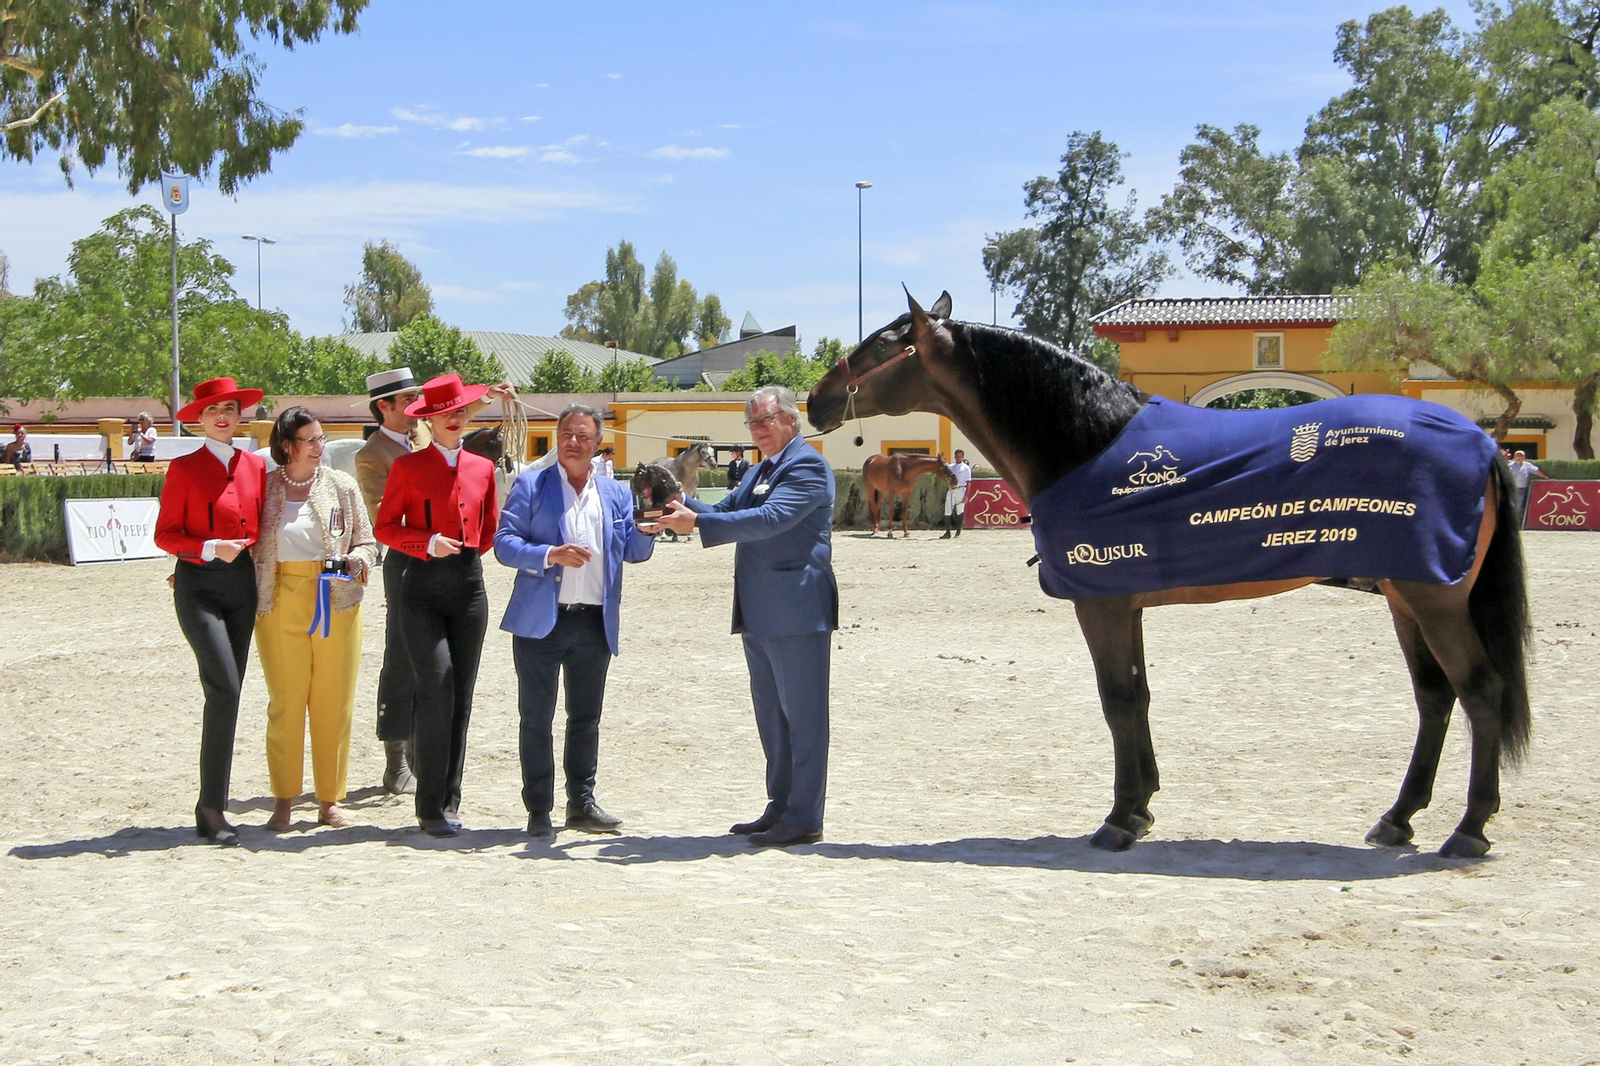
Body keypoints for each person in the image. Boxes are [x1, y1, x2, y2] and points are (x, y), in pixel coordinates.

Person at [652, 385, 837, 847]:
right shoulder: (758, 470)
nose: (758, 429)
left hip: (797, 609)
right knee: (773, 718)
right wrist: (676, 503)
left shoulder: (808, 466)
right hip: (758, 609)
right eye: (752, 422)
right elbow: (720, 511)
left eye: (766, 420)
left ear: (792, 420)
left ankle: (805, 816)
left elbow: (772, 519)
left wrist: (698, 523)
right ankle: (780, 807)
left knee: (805, 720)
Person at [495, 404, 656, 839]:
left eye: (583, 436)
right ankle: (539, 810)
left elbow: (636, 554)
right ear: (557, 436)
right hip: (541, 622)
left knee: (585, 718)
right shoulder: (532, 484)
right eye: (567, 433)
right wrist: (550, 555)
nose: (573, 442)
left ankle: (581, 804)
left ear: (598, 443)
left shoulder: (616, 493)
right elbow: (504, 544)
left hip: (593, 623)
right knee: (536, 718)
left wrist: (648, 528)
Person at [374, 373, 501, 838]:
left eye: (462, 410)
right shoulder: (407, 468)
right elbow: (386, 527)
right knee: (436, 688)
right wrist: (426, 543)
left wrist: (462, 554)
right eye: (447, 412)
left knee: (462, 696)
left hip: (468, 586)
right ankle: (428, 805)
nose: (456, 417)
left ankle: (450, 800)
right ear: (430, 417)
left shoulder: (482, 469)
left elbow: (488, 531)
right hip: (421, 587)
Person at [153, 377, 268, 846]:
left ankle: (211, 802)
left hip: (242, 590)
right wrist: (205, 549)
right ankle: (212, 807)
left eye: (230, 409)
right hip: (198, 589)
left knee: (231, 694)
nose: (222, 417)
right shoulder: (182, 468)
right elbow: (165, 536)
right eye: (212, 410)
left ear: (241, 416)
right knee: (224, 687)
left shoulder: (256, 468)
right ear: (199, 419)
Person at [254, 407, 378, 831]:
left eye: (321, 439)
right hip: (278, 601)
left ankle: (329, 800)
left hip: (336, 602)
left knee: (333, 702)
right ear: (286, 446)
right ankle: (284, 799)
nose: (318, 447)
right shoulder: (264, 488)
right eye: (309, 440)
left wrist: (354, 561)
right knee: (286, 703)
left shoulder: (342, 485)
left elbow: (368, 542)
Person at [352, 366, 429, 795]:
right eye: (407, 401)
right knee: (400, 656)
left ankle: (424, 752)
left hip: (441, 559)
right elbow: (385, 515)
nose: (416, 408)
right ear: (384, 406)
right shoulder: (371, 455)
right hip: (403, 561)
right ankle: (395, 758)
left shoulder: (423, 437)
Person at [941, 448, 973, 538]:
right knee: (948, 510)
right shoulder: (951, 467)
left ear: (962, 457)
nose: (958, 458)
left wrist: (967, 495)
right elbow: (946, 477)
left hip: (961, 489)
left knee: (960, 510)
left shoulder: (966, 468)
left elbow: (969, 482)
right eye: (957, 456)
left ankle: (958, 532)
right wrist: (948, 485)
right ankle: (947, 532)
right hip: (951, 490)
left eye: (960, 456)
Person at [1507, 449, 1547, 521]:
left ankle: (1517, 521)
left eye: (1520, 456)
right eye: (1517, 455)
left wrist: (1546, 477)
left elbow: (1537, 471)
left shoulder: (1527, 465)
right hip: (1511, 489)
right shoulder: (1509, 465)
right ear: (1514, 457)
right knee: (1511, 505)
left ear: (1524, 457)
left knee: (1518, 505)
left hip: (1521, 489)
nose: (1519, 457)